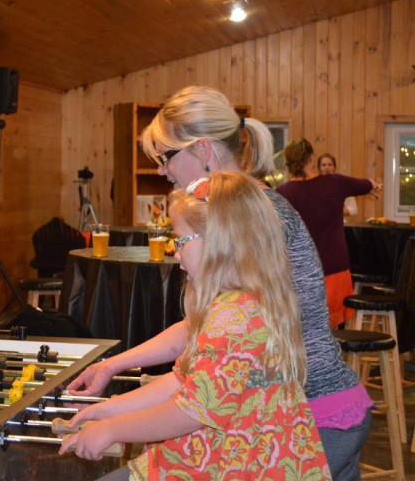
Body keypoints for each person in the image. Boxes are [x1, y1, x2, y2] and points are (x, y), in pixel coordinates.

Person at [66, 86, 372, 480]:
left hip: (311, 416)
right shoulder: (237, 212)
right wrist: (113, 366)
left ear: (203, 150)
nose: (162, 170)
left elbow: (208, 373)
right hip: (274, 414)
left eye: (166, 156)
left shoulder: (252, 217)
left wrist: (115, 416)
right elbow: (206, 328)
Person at [60, 172, 332, 479]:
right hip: (221, 455)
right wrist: (109, 408)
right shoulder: (232, 304)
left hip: (239, 466)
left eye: (181, 241)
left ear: (220, 243)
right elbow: (182, 382)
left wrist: (112, 429)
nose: (175, 253)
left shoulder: (237, 318)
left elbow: (191, 410)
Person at [278, 140, 379, 327]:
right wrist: (371, 186)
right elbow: (365, 184)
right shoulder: (333, 183)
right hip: (335, 272)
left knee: (303, 333)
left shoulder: (283, 193)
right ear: (311, 158)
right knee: (332, 334)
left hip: (300, 274)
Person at [317, 153, 358, 219]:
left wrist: (333, 212)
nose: (327, 167)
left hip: (338, 225)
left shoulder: (343, 185)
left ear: (334, 167)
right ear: (319, 168)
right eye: (323, 165)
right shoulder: (313, 186)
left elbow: (353, 209)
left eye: (330, 165)